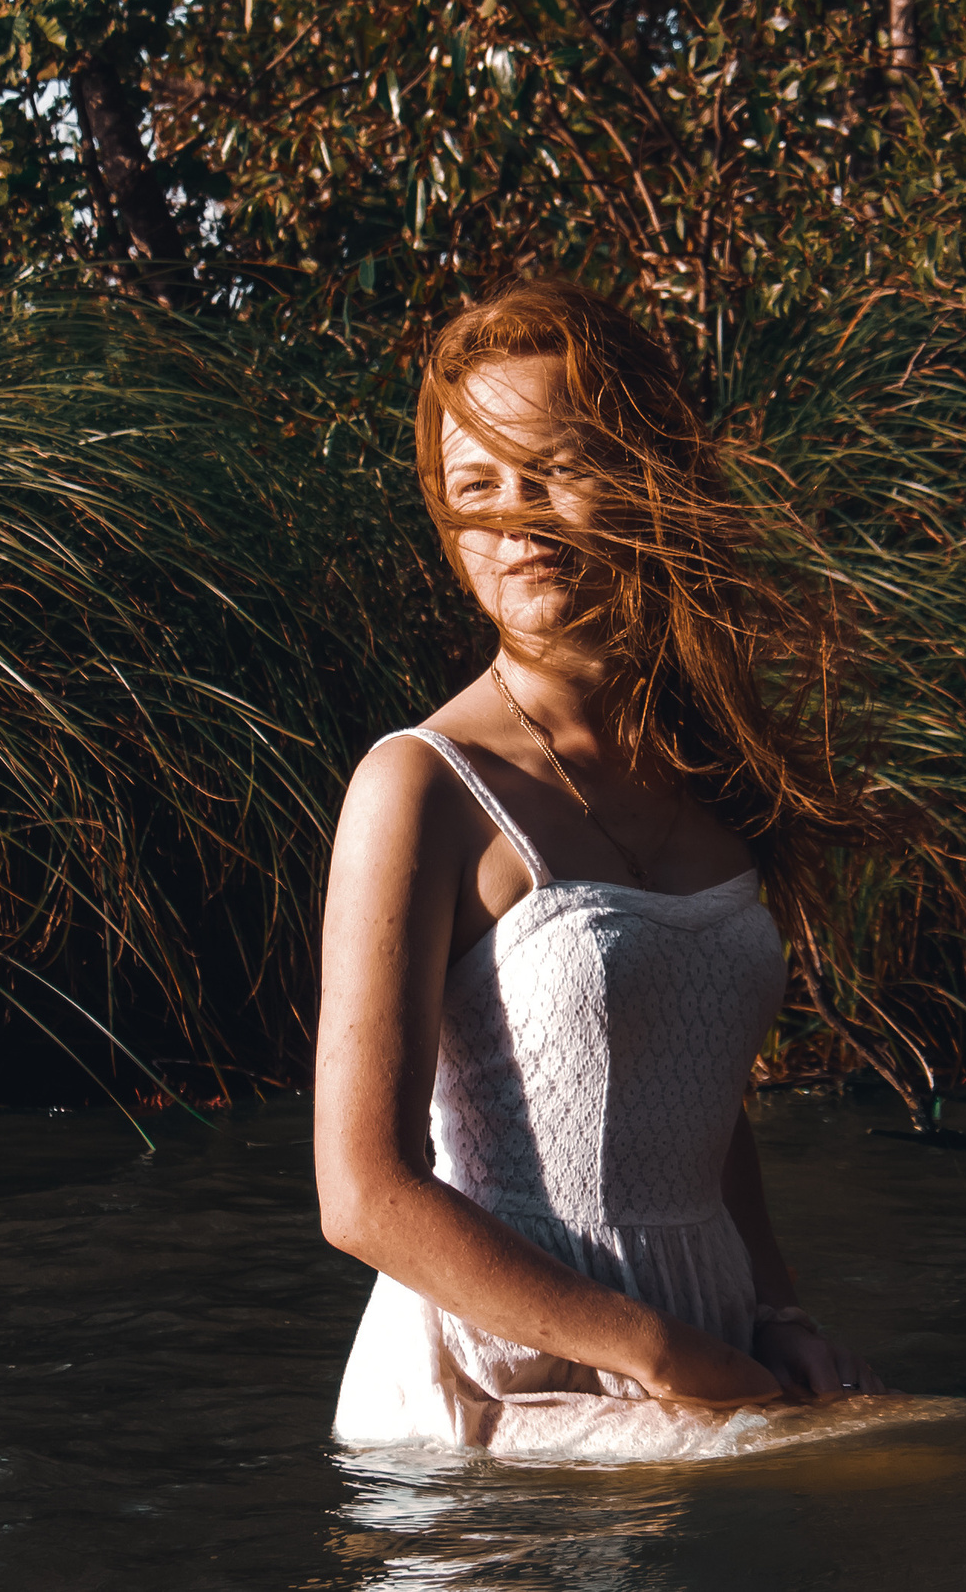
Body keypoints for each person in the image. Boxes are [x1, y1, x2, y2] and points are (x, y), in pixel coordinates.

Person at [312, 279, 890, 1457]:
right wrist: (657, 1354)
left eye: (555, 469)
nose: (515, 520)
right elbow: (364, 1195)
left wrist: (774, 1314)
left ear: (646, 476)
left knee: (914, 1450)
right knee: (950, 1462)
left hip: (709, 1334)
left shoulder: (710, 768)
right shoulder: (420, 786)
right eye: (479, 485)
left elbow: (702, 1102)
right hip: (505, 1377)